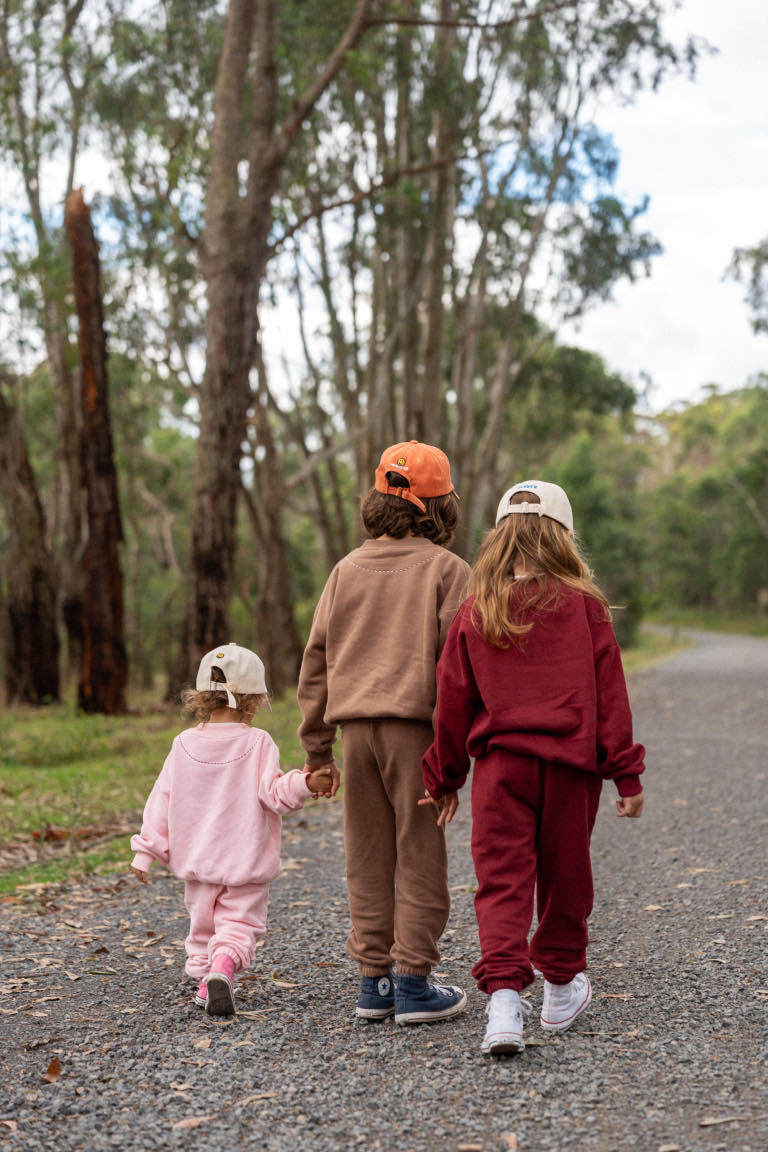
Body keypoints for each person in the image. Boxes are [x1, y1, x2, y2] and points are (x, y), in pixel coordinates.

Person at [421, 480, 645, 1054]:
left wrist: (443, 777)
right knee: (566, 874)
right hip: (571, 771)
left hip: (501, 771)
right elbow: (610, 696)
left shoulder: (479, 607)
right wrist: (626, 774)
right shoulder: (586, 607)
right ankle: (561, 986)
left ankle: (502, 1004)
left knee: (502, 881)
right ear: (565, 537)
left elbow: (453, 700)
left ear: (499, 536)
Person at [297, 440, 471, 1025]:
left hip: (353, 731)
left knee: (367, 855)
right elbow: (458, 672)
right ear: (441, 505)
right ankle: (414, 981)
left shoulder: (346, 570)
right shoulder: (449, 571)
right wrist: (449, 762)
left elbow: (316, 660)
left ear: (378, 496)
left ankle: (373, 983)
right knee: (418, 852)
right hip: (415, 734)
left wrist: (316, 751)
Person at [130, 643, 332, 1017]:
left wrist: (147, 850)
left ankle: (208, 978)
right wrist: (306, 783)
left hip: (198, 862)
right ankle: (223, 968)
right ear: (253, 700)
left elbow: (162, 799)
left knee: (202, 925)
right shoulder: (257, 743)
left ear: (201, 696)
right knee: (238, 924)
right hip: (245, 859)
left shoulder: (183, 744)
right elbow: (274, 794)